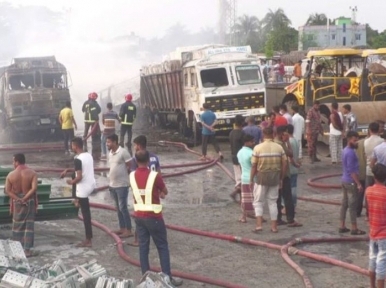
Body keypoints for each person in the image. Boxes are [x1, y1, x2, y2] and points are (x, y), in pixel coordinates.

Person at [129, 150, 183, 287]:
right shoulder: (154, 176)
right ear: (148, 161)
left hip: (139, 216)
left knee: (143, 248)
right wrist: (159, 193)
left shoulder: (132, 175)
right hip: (154, 217)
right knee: (162, 247)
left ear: (135, 161)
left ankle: (146, 280)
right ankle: (166, 278)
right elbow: (165, 191)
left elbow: (139, 191)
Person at [61, 137, 96, 247]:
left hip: (83, 189)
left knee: (86, 215)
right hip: (91, 184)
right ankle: (77, 200)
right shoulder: (88, 155)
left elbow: (79, 177)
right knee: (73, 174)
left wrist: (70, 182)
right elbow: (81, 169)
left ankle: (88, 239)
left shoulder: (77, 159)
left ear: (75, 146)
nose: (71, 147)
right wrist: (68, 171)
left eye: (72, 145)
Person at [127, 135, 161, 247]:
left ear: (139, 145)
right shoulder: (155, 157)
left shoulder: (136, 159)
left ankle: (137, 239)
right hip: (153, 190)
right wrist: (160, 189)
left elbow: (133, 176)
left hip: (141, 191)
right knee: (154, 212)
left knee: (139, 214)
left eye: (135, 145)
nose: (134, 147)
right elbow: (159, 173)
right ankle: (154, 234)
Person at [250, 127, 285, 233]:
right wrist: (281, 178)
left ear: (263, 135)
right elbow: (284, 164)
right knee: (273, 202)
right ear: (273, 134)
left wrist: (251, 179)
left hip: (262, 177)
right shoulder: (279, 148)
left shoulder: (257, 148)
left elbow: (254, 166)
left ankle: (259, 225)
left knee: (258, 201)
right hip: (275, 176)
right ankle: (274, 227)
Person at [5, 154, 38, 257]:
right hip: (29, 202)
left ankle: (17, 250)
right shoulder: (32, 173)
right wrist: (25, 198)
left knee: (17, 226)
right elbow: (34, 189)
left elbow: (8, 191)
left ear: (17, 162)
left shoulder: (10, 175)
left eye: (13, 161)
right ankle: (27, 251)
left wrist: (19, 199)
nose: (12, 164)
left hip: (17, 203)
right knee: (29, 226)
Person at [106, 134, 133, 238]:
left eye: (109, 142)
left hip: (122, 185)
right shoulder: (110, 153)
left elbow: (130, 165)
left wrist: (125, 176)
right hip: (113, 185)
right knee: (118, 208)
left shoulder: (123, 152)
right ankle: (122, 228)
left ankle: (129, 229)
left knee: (123, 207)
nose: (107, 144)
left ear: (115, 142)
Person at [274, 125, 302, 227]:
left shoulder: (275, 143)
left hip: (276, 174)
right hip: (284, 175)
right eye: (285, 133)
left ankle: (278, 218)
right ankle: (290, 219)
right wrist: (287, 142)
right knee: (288, 197)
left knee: (277, 197)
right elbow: (290, 154)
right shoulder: (281, 144)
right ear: (282, 133)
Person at [339, 131, 365, 235]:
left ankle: (342, 225)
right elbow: (352, 170)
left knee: (344, 204)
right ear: (349, 140)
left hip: (344, 180)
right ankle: (354, 227)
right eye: (354, 140)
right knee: (352, 205)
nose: (356, 142)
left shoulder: (345, 150)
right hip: (351, 182)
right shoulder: (350, 153)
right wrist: (358, 183)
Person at [366, 163, 386, 288]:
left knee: (372, 260)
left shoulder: (369, 191)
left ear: (374, 177)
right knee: (382, 264)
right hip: (384, 234)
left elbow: (367, 211)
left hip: (373, 232)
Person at [237, 134, 256, 223]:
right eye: (252, 141)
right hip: (252, 178)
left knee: (244, 199)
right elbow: (254, 167)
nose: (253, 143)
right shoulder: (251, 153)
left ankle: (243, 216)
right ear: (246, 142)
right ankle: (258, 215)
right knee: (256, 199)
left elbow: (241, 166)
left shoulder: (239, 152)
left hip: (244, 177)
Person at [229, 115, 245, 201]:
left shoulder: (231, 133)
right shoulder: (242, 133)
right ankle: (242, 198)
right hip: (241, 158)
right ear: (242, 123)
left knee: (238, 178)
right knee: (244, 178)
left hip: (234, 157)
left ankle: (237, 194)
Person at [365, 122, 383, 189]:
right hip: (379, 172)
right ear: (378, 129)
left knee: (368, 192)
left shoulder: (366, 141)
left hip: (369, 170)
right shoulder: (381, 141)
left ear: (369, 130)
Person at [288, 124, 301, 210]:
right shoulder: (296, 140)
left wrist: (294, 163)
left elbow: (290, 157)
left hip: (290, 167)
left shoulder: (289, 142)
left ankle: (291, 204)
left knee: (290, 188)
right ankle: (294, 204)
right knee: (294, 187)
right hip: (295, 168)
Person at [356, 137, 367, 217]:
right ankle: (368, 212)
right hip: (370, 172)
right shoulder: (378, 143)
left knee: (360, 192)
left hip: (360, 171)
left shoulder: (358, 143)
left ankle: (357, 211)